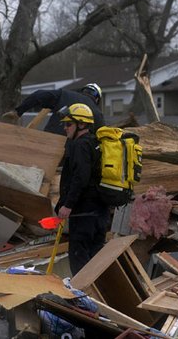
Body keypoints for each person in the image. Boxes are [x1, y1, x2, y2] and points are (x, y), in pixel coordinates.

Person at [54, 103, 110, 276]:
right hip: (100, 214)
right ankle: (98, 297)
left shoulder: (80, 146)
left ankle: (84, 298)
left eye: (69, 124)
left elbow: (80, 178)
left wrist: (67, 205)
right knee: (95, 263)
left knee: (80, 264)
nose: (65, 128)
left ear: (82, 124)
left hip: (84, 215)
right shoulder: (96, 144)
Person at [2, 83, 105, 135]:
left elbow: (38, 95)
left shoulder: (64, 94)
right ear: (97, 99)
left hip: (48, 140)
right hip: (73, 152)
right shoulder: (97, 113)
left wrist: (18, 112)